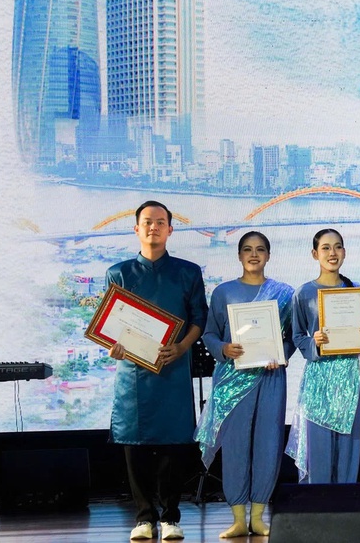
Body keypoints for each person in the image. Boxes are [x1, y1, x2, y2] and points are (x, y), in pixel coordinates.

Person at [106, 201, 208, 541]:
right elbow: (110, 324)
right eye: (147, 222)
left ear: (170, 230)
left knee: (173, 445)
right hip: (132, 371)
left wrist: (181, 347)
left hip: (173, 367)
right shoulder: (118, 273)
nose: (154, 227)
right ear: (136, 228)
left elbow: (198, 320)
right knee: (134, 445)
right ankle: (143, 517)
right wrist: (113, 345)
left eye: (160, 222)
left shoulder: (188, 272)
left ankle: (171, 517)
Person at [196, 231, 295, 538]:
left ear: (268, 255)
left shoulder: (284, 293)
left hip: (270, 378)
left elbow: (292, 337)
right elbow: (210, 334)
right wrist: (223, 348)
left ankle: (258, 515)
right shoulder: (224, 292)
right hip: (232, 379)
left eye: (260, 249)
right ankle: (238, 517)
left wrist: (281, 355)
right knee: (236, 447)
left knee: (268, 444)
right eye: (248, 250)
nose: (254, 255)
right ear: (239, 256)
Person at [286, 229, 360, 484]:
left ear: (344, 252)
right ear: (315, 254)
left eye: (337, 247)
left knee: (348, 449)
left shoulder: (357, 291)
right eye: (325, 248)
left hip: (348, 377)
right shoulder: (303, 293)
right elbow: (297, 337)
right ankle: (319, 508)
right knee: (320, 449)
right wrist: (314, 343)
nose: (332, 253)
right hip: (318, 380)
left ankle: (345, 509)